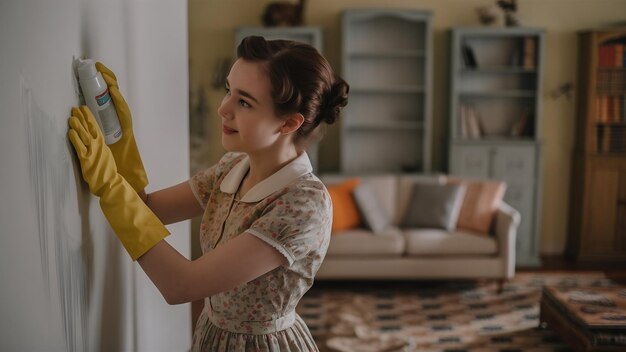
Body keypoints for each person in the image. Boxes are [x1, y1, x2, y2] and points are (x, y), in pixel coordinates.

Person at [67, 35, 349, 351]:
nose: (223, 109)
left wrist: (109, 187)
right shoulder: (231, 168)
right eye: (229, 90)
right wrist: (120, 141)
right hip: (211, 337)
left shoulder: (304, 205)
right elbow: (145, 209)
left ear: (288, 123)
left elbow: (181, 285)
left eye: (244, 102)